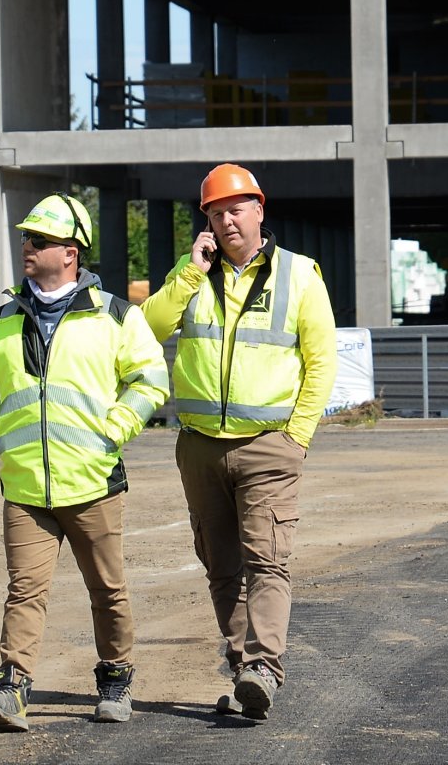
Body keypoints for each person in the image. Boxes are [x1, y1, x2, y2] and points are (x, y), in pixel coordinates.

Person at [0, 192, 170, 732]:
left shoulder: (115, 315)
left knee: (107, 589)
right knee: (24, 589)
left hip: (95, 481)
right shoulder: (1, 319)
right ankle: (12, 687)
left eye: (40, 240)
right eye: (26, 238)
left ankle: (116, 679)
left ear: (71, 252)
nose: (26, 247)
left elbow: (151, 379)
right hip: (25, 485)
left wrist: (115, 429)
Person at [141, 163, 336, 721]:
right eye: (214, 212)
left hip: (269, 444)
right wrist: (187, 273)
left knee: (267, 561)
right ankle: (242, 666)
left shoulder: (299, 276)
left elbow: (321, 362)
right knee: (221, 566)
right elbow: (146, 329)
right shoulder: (193, 275)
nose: (226, 220)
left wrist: (297, 436)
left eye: (234, 209)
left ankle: (264, 667)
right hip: (200, 446)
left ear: (259, 210)